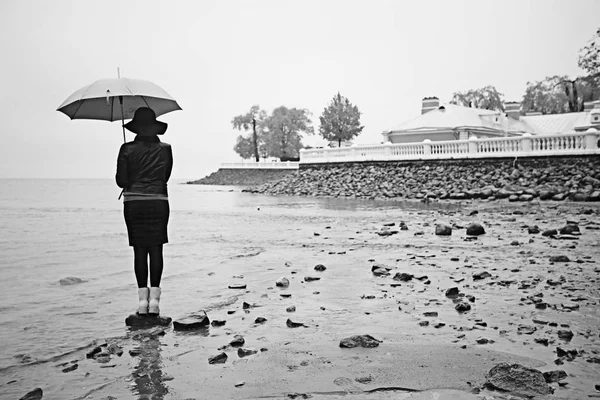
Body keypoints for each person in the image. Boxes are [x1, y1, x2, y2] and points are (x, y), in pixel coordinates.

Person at [116, 107, 173, 316]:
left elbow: (120, 181)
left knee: (139, 250)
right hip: (159, 201)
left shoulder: (126, 148)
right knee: (156, 248)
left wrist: (131, 168)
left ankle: (142, 303)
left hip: (134, 203)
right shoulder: (166, 148)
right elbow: (164, 177)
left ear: (135, 128)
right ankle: (155, 302)